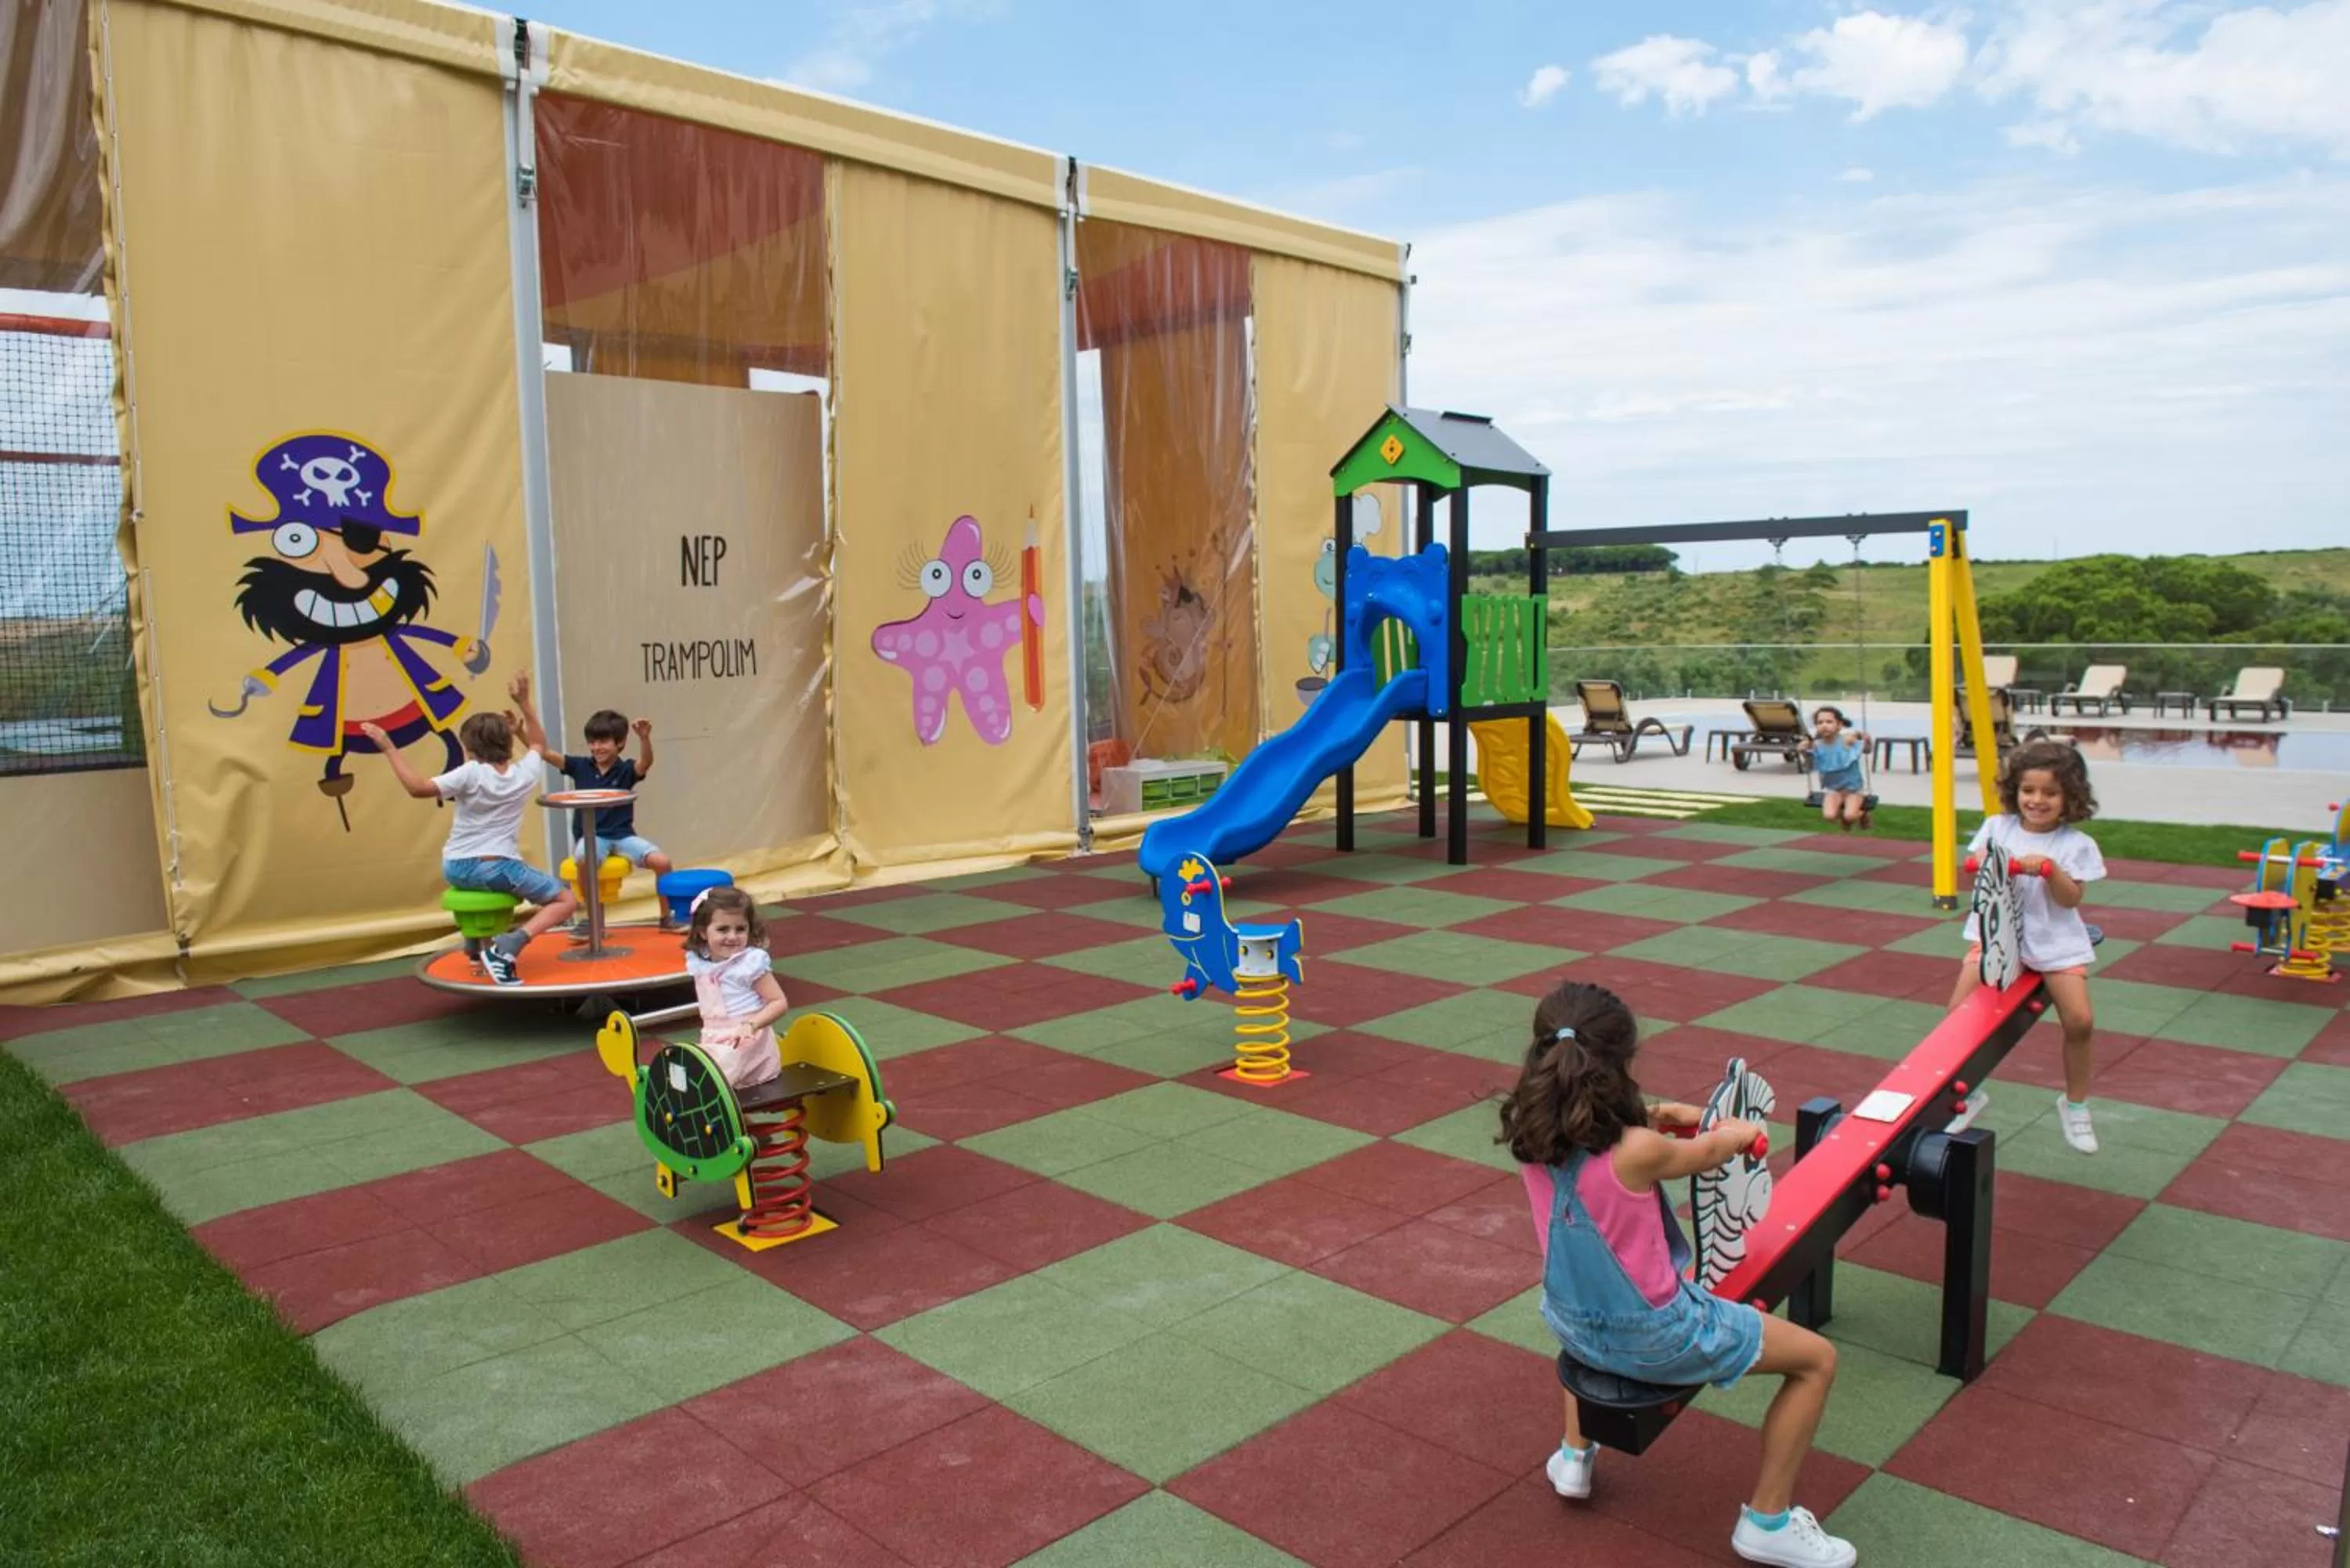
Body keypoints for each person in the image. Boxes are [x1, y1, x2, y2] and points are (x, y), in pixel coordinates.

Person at [1502, 981, 1854, 1568]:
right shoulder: (1640, 1150)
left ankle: (1573, 1457)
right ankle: (1768, 1522)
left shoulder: (1531, 1133)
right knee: (1817, 1361)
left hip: (1569, 1324)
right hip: (1659, 1339)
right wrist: (1734, 1131)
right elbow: (1710, 1154)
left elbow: (1629, 1133)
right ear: (1622, 1063)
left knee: (1587, 1319)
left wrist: (1669, 1116)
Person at [1948, 740, 2104, 1153]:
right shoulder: (1998, 828)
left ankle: (2075, 1104)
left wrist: (2050, 871)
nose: (2037, 800)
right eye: (2028, 791)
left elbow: (2071, 900)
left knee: (2080, 1020)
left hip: (2053, 941)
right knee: (1957, 1018)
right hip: (1997, 936)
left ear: (2069, 797)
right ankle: (1969, 1093)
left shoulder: (2075, 845)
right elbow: (1978, 875)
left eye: (2050, 793)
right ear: (2015, 791)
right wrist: (1983, 861)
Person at [361, 706, 576, 986]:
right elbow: (539, 744)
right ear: (507, 744)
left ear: (471, 748)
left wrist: (389, 748)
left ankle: (476, 947)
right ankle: (509, 945)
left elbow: (417, 788)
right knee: (566, 900)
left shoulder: (470, 773)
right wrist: (523, 704)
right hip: (495, 868)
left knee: (501, 880)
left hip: (456, 867)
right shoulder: (525, 773)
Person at [507, 675, 673, 916]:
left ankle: (667, 915)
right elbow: (542, 753)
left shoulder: (626, 769)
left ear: (620, 743)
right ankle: (593, 917)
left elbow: (645, 762)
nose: (597, 748)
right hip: (592, 837)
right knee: (584, 860)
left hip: (623, 836)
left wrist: (645, 739)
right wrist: (520, 733)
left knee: (663, 862)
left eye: (603, 742)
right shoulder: (580, 766)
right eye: (592, 742)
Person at [685, 887, 786, 1092]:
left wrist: (752, 1024)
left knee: (708, 1088)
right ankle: (740, 1124)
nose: (732, 936)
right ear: (703, 932)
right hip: (716, 1041)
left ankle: (736, 1122)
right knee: (693, 1079)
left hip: (747, 1043)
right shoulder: (701, 963)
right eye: (723, 929)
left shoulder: (748, 964)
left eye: (740, 929)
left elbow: (779, 1002)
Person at [1804, 706, 1871, 830]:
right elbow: (1809, 765)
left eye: (1829, 722)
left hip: (1853, 790)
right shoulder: (1816, 746)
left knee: (1850, 815)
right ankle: (1845, 818)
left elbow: (1867, 749)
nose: (1824, 725)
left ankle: (1862, 814)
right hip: (1833, 790)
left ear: (1839, 725)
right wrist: (1804, 751)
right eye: (1820, 722)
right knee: (1829, 816)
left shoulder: (1847, 741)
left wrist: (1863, 737)